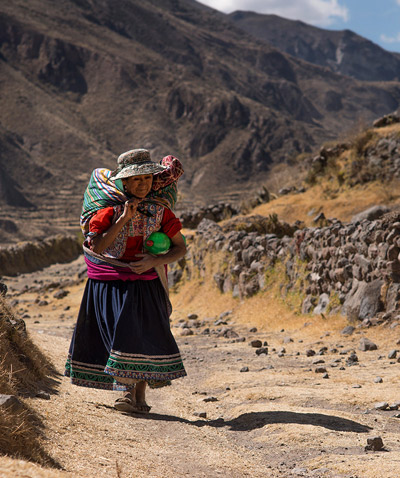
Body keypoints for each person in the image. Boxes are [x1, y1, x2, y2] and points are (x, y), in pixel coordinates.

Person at [65, 149, 187, 414]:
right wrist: (123, 219)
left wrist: (153, 262)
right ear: (124, 183)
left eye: (147, 178)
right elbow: (97, 246)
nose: (143, 184)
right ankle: (125, 393)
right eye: (136, 179)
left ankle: (138, 395)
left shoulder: (160, 213)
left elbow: (180, 248)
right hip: (111, 282)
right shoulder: (108, 213)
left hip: (146, 282)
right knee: (122, 336)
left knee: (142, 336)